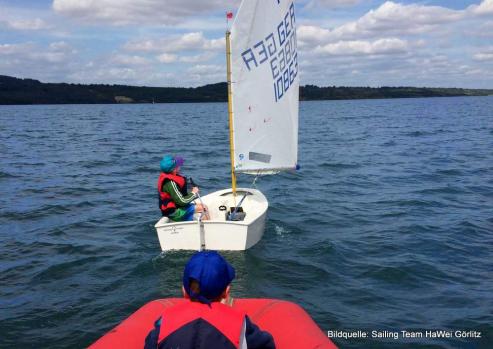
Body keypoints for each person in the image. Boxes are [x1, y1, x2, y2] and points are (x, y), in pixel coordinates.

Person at [144, 251, 276, 349]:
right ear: (226, 292)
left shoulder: (164, 322)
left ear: (184, 291)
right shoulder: (241, 324)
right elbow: (267, 346)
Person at [157, 155, 208, 221]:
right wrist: (193, 193)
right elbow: (182, 201)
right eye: (178, 166)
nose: (179, 166)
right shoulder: (171, 183)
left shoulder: (169, 176)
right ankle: (209, 229)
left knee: (200, 205)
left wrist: (191, 191)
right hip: (173, 212)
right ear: (174, 169)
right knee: (203, 208)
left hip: (175, 208)